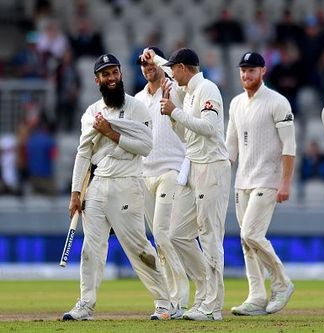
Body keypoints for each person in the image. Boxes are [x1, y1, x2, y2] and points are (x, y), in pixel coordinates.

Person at [63, 53, 174, 321]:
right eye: (105, 74)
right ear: (97, 79)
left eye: (115, 72)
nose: (111, 78)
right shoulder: (91, 113)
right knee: (92, 247)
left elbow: (146, 146)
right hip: (98, 185)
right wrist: (76, 192)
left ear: (121, 74)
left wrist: (111, 132)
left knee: (138, 246)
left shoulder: (137, 108)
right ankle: (86, 304)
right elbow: (83, 153)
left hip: (128, 184)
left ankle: (164, 302)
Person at [144, 47, 231, 321]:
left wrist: (174, 111)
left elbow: (209, 128)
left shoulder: (207, 89)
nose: (170, 74)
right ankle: (205, 290)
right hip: (191, 165)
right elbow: (184, 134)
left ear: (183, 67)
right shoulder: (189, 93)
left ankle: (213, 306)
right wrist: (172, 114)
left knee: (209, 235)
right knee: (176, 234)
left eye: (173, 68)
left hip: (212, 167)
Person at [226, 52, 296, 316]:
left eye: (252, 70)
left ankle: (282, 282)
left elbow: (290, 145)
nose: (246, 75)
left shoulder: (277, 102)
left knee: (250, 234)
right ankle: (256, 296)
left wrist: (285, 183)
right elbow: (230, 145)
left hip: (268, 178)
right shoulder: (235, 103)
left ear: (263, 71)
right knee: (247, 242)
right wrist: (220, 176)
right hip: (242, 180)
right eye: (243, 70)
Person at [134, 47, 190, 317]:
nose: (147, 68)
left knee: (164, 235)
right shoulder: (136, 100)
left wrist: (156, 58)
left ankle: (178, 300)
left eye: (150, 62)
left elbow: (173, 75)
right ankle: (167, 300)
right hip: (145, 175)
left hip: (171, 170)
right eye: (142, 64)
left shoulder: (174, 88)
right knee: (157, 240)